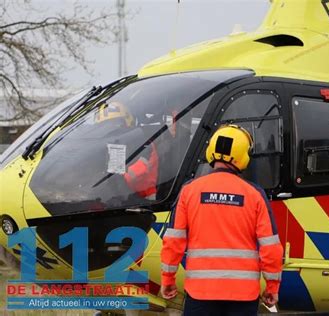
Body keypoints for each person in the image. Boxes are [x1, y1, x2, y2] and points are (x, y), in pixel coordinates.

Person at [160, 124, 283, 315]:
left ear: (211, 151)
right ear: (244, 156)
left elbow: (173, 242)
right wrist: (272, 286)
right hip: (243, 296)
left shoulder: (189, 191)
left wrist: (168, 279)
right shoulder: (255, 195)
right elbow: (271, 248)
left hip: (200, 294)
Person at [96, 101, 159, 200]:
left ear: (126, 121)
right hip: (126, 198)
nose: (111, 130)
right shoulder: (111, 144)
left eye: (115, 124)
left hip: (144, 199)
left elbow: (126, 178)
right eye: (106, 126)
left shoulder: (139, 141)